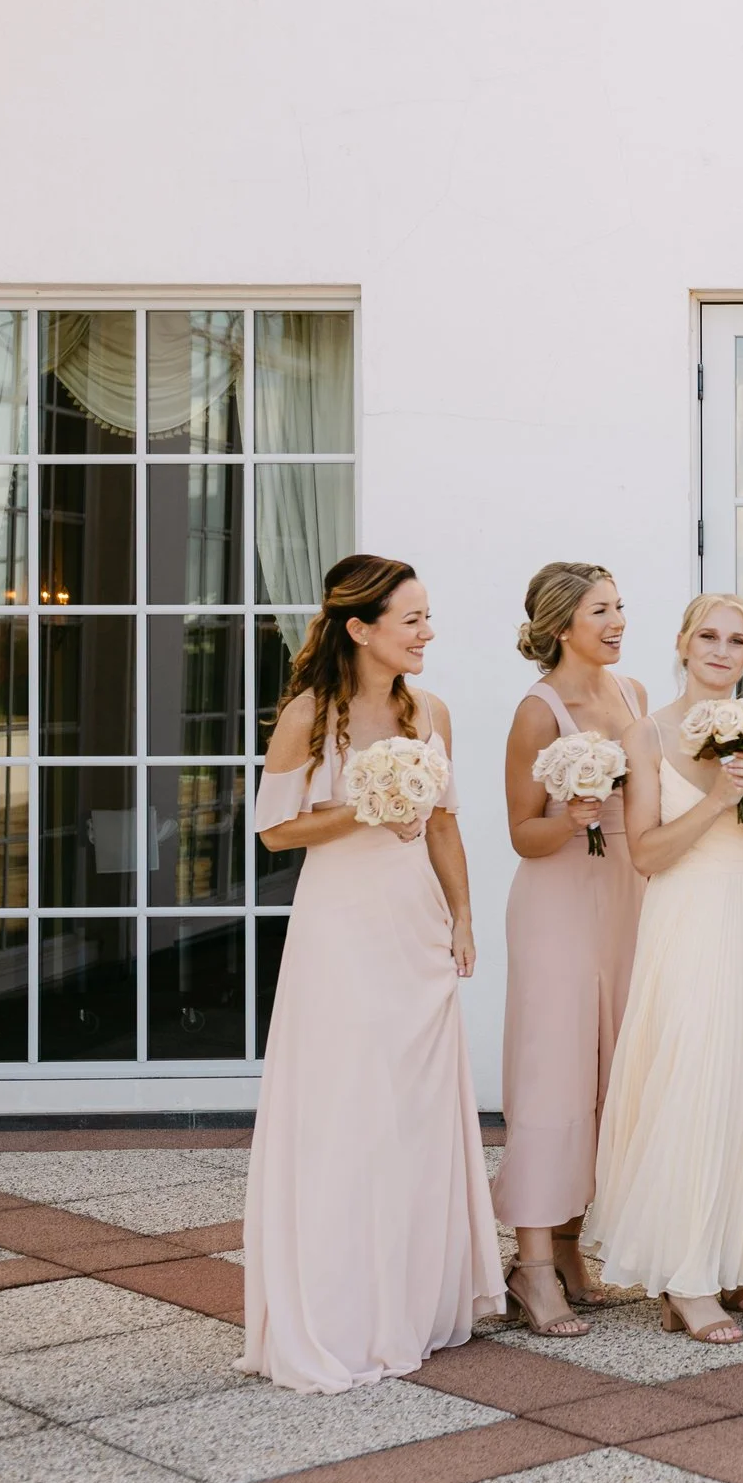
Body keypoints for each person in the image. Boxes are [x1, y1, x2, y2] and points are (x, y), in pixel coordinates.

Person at [241, 554, 501, 1393]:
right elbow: (274, 830)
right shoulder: (309, 715)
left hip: (415, 924)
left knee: (415, 1111)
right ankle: (343, 1309)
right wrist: (365, 806)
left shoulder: (431, 711)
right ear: (360, 628)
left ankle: (414, 1300)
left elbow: (445, 824)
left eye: (427, 617)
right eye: (412, 619)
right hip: (342, 927)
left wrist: (462, 916)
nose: (428, 633)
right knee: (350, 1105)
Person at [584, 594, 743, 1346]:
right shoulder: (646, 733)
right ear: (683, 643)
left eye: (737, 640)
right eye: (708, 636)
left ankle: (729, 1254)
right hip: (687, 916)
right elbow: (647, 854)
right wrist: (717, 797)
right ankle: (684, 1276)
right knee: (692, 1075)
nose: (721, 650)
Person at [495, 562, 647, 1335]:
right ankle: (531, 1266)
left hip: (627, 894)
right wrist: (573, 816)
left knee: (609, 1068)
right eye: (600, 611)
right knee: (553, 1072)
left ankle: (568, 1245)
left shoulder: (634, 695)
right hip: (557, 899)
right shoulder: (538, 710)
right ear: (561, 626)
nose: (617, 621)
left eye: (619, 606)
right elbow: (522, 832)